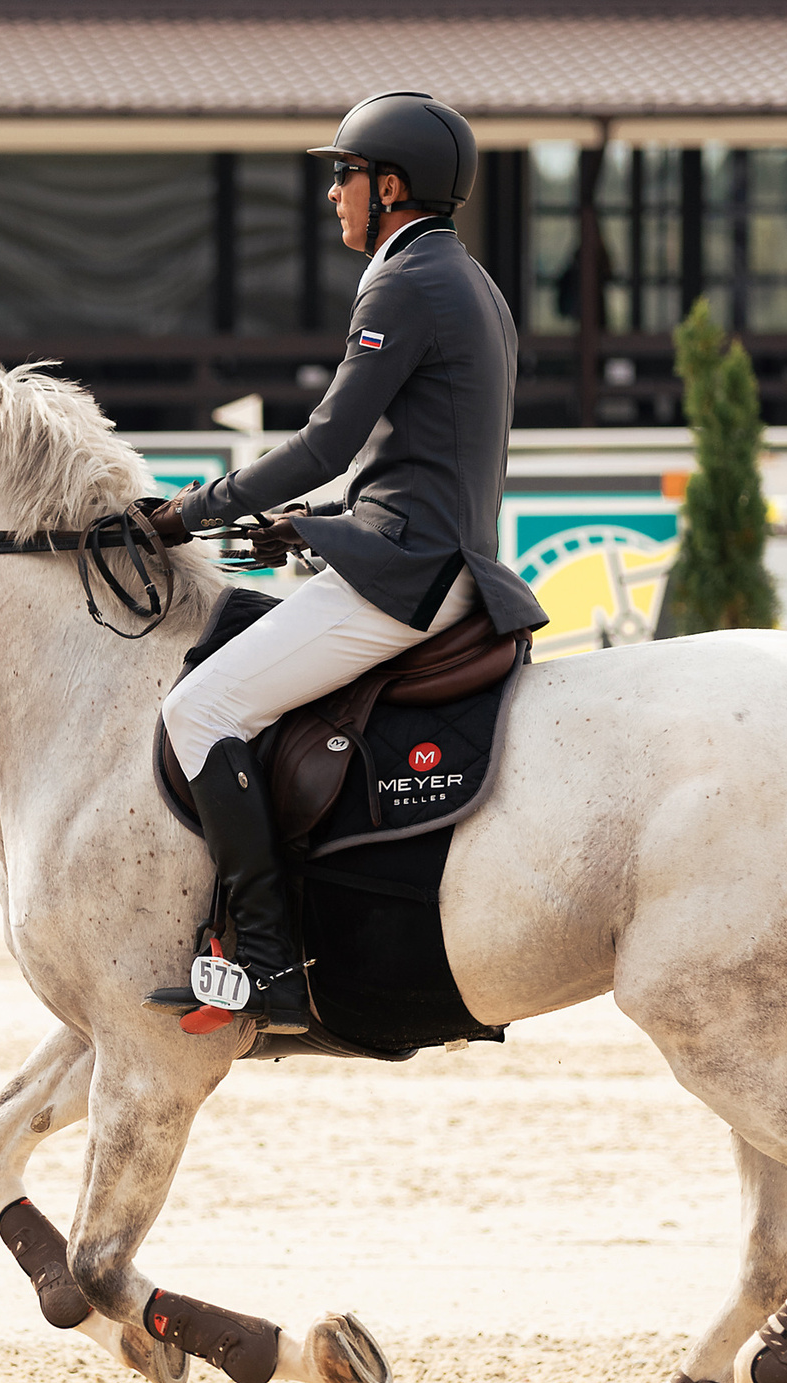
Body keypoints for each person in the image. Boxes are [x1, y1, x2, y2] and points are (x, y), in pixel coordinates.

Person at [144, 91, 548, 1032]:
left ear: (391, 187)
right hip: (440, 556)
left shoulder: (400, 282)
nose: (333, 195)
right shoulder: (469, 279)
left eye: (344, 175)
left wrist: (188, 512)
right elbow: (421, 459)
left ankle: (272, 962)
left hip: (406, 579)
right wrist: (313, 524)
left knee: (199, 707)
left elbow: (327, 441)